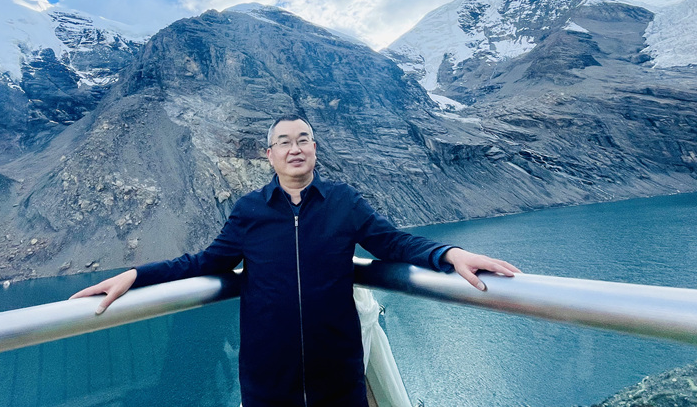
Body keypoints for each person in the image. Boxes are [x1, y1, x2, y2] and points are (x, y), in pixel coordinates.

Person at [71, 115, 520, 407]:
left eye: (303, 139)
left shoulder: (344, 202)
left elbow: (392, 243)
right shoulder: (250, 211)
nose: (295, 148)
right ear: (270, 155)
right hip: (269, 377)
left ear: (315, 149)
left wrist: (451, 254)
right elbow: (207, 262)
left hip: (337, 374)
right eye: (283, 142)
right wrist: (135, 275)